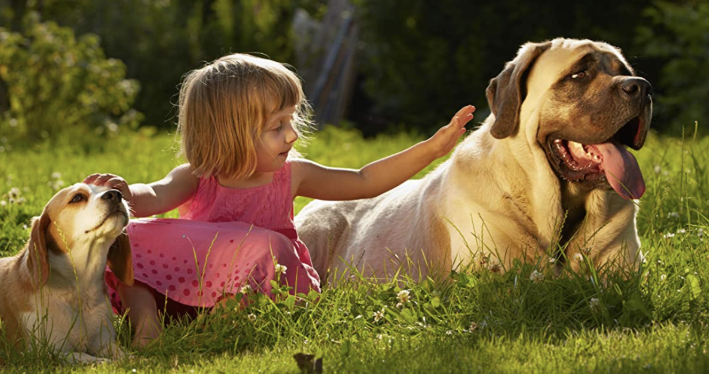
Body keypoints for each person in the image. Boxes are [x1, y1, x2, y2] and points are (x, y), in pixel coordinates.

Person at [85, 53, 474, 347]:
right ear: (230, 133)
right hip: (187, 286)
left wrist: (430, 149)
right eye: (277, 126)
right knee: (126, 237)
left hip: (255, 289)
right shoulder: (199, 174)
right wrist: (123, 191)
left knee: (266, 245)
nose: (292, 136)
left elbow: (365, 180)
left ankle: (220, 328)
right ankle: (146, 322)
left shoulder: (292, 174)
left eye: (291, 122)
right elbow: (153, 197)